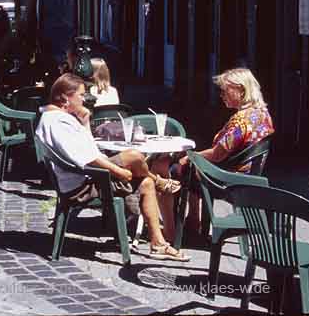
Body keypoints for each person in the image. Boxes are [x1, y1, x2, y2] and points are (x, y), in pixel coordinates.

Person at [36, 73, 189, 261]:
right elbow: (87, 158)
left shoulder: (54, 117)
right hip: (84, 185)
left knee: (146, 182)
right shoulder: (58, 122)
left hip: (87, 177)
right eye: (81, 95)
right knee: (134, 155)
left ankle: (158, 244)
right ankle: (160, 181)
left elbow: (85, 148)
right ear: (66, 97)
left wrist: (84, 123)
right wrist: (119, 171)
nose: (85, 100)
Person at [155, 67, 274, 244]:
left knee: (175, 168)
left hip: (229, 178)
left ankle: (175, 230)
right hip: (247, 173)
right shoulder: (262, 114)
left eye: (225, 91)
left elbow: (218, 154)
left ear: (241, 90)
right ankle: (194, 221)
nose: (222, 95)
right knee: (191, 167)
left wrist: (188, 157)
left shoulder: (241, 120)